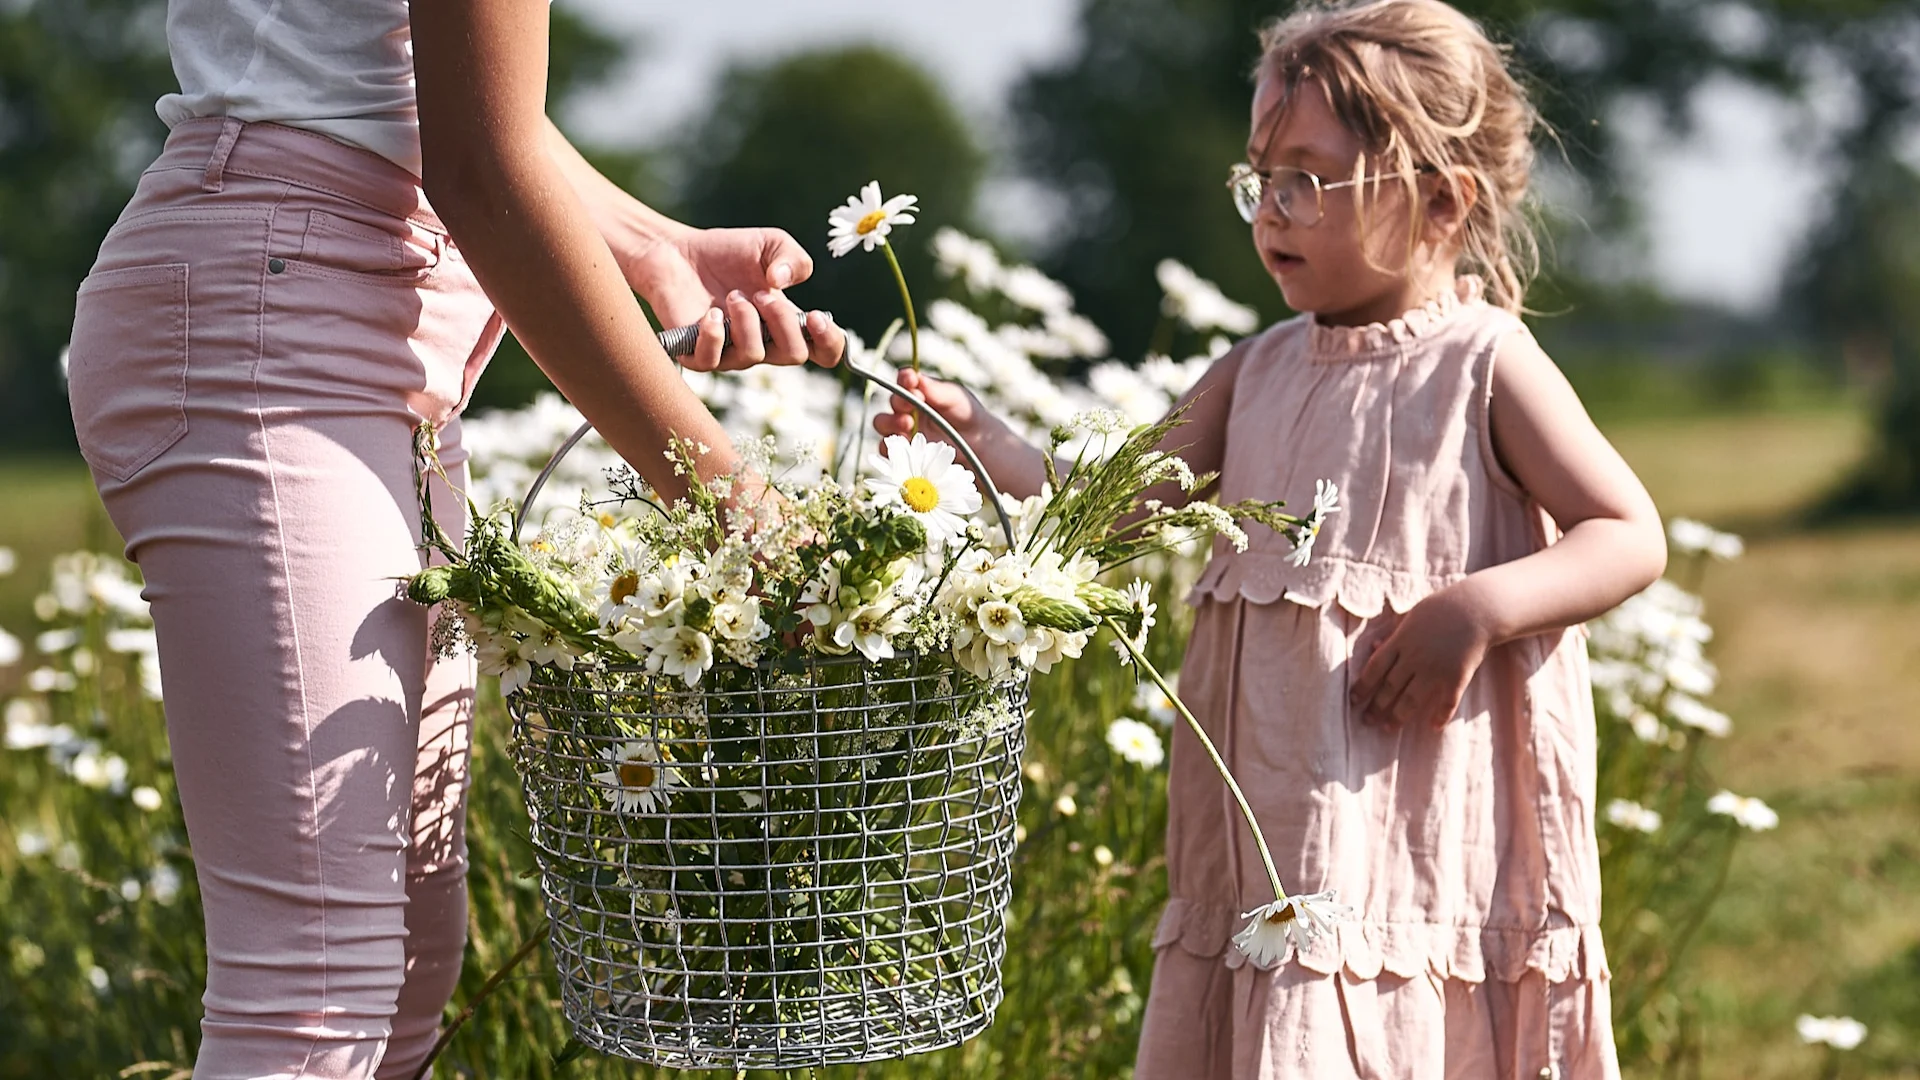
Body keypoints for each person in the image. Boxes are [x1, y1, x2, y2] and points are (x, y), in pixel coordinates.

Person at [877, 1, 1665, 1076]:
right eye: (1258, 177)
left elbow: (1626, 533)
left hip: (1422, 842)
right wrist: (981, 437)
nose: (1271, 211)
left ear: (1440, 200)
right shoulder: (1256, 370)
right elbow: (1114, 500)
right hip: (1269, 846)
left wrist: (1477, 609)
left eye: (1307, 178)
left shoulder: (1483, 362)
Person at [64, 2, 843, 1076]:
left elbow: (433, 94)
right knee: (316, 992)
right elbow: (482, 166)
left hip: (363, 341)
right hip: (274, 339)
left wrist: (661, 249)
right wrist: (742, 512)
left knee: (404, 974)